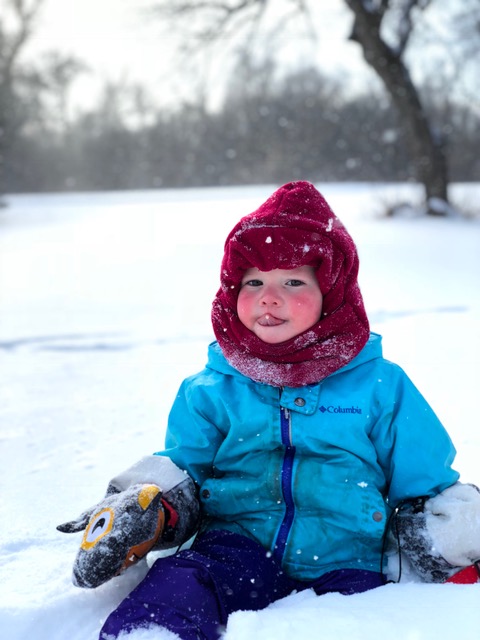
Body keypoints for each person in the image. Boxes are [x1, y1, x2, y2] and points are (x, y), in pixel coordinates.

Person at [59, 181, 480, 640]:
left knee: (363, 627)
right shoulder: (212, 389)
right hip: (233, 549)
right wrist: (158, 510)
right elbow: (186, 467)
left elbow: (423, 480)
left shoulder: (381, 386)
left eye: (293, 282)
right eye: (253, 281)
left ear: (332, 295)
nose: (268, 296)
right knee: (176, 587)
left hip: (347, 561)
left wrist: (447, 540)